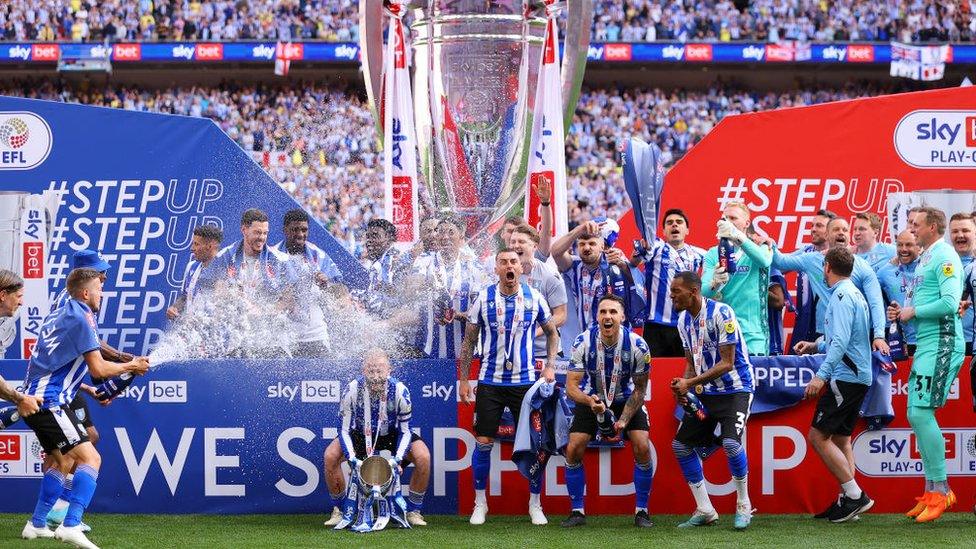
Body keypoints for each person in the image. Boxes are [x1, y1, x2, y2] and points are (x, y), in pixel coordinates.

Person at [20, 268, 150, 548]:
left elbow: (59, 363)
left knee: (63, 461)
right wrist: (131, 366)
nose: (103, 292)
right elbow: (99, 369)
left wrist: (88, 388)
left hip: (41, 397)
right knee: (91, 459)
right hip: (50, 401)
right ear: (85, 292)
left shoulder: (61, 311)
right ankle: (70, 524)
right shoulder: (82, 316)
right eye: (99, 287)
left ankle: (37, 523)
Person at [458, 248, 560, 526]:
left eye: (513, 261)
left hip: (525, 384)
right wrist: (465, 379)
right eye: (503, 262)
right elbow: (468, 342)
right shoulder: (484, 298)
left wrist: (550, 365)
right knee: (483, 443)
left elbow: (553, 333)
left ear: (521, 267)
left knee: (536, 445)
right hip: (490, 382)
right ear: (497, 268)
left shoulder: (534, 297)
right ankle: (480, 504)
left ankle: (535, 504)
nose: (509, 266)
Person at [889, 207, 965, 523]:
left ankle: (942, 490)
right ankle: (931, 489)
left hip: (943, 342)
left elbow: (949, 303)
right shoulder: (926, 256)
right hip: (928, 343)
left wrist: (913, 312)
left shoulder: (945, 255)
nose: (911, 229)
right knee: (915, 414)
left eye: (915, 224)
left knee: (921, 413)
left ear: (932, 227)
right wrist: (905, 311)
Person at [669, 270, 755, 530]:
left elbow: (727, 363)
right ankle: (705, 509)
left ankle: (743, 504)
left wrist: (690, 384)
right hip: (707, 393)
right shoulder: (683, 321)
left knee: (730, 442)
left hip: (736, 389)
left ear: (693, 292)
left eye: (676, 292)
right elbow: (691, 363)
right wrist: (684, 390)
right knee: (681, 446)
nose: (671, 296)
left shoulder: (722, 313)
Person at [796, 247, 874, 523]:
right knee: (841, 439)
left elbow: (841, 341)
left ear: (827, 267)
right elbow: (846, 336)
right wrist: (816, 344)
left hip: (847, 376)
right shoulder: (853, 293)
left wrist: (821, 375)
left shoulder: (841, 295)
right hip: (857, 375)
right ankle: (848, 499)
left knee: (817, 436)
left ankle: (854, 495)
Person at [562, 294, 653, 528]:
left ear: (622, 317)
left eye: (613, 312)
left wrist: (622, 421)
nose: (608, 316)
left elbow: (640, 390)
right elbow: (571, 387)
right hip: (592, 398)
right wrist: (590, 402)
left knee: (642, 445)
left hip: (627, 399)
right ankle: (577, 511)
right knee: (573, 448)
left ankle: (642, 511)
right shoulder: (583, 341)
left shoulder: (638, 345)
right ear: (597, 317)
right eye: (603, 312)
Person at [322, 348, 430, 527]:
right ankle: (341, 510)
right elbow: (344, 431)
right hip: (359, 433)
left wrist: (398, 459)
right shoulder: (351, 390)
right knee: (330, 456)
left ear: (389, 370)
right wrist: (352, 458)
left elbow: (405, 431)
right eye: (371, 370)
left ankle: (413, 511)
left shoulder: (400, 391)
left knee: (423, 457)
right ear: (363, 371)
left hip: (392, 434)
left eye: (380, 370)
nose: (376, 375)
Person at [772, 217, 889, 355]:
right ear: (827, 235)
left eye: (845, 230)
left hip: (857, 335)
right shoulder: (812, 260)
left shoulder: (862, 266)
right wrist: (769, 244)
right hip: (828, 333)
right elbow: (780, 262)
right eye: (836, 229)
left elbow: (875, 302)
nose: (841, 232)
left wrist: (879, 335)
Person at [630, 208, 706, 357]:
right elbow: (634, 262)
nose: (674, 225)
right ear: (664, 231)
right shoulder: (657, 246)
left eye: (679, 222)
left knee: (686, 371)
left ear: (687, 230)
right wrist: (643, 247)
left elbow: (722, 260)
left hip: (687, 324)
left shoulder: (699, 254)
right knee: (653, 373)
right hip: (656, 325)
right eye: (669, 223)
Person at [411, 215, 488, 358]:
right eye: (440, 232)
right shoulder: (425, 260)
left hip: (468, 353)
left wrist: (457, 315)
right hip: (431, 350)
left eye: (451, 232)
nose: (445, 237)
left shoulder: (474, 267)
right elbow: (412, 286)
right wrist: (428, 284)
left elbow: (482, 310)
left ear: (461, 235)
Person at [701, 202, 772, 356]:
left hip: (753, 334)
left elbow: (764, 261)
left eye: (733, 218)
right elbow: (704, 292)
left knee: (755, 379)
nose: (727, 222)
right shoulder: (713, 253)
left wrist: (738, 236)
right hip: (723, 332)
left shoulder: (761, 244)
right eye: (724, 218)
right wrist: (715, 283)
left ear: (747, 223)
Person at [551, 218, 644, 334]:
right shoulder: (574, 266)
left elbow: (638, 284)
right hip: (587, 340)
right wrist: (579, 229)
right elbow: (555, 252)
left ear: (602, 246)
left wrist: (624, 266)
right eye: (582, 244)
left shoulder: (615, 261)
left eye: (592, 243)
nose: (586, 248)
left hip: (619, 339)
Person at [274, 209, 341, 357]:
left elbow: (339, 290)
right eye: (295, 230)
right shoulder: (272, 256)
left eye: (304, 230)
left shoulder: (318, 255)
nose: (300, 234)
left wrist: (326, 284)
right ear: (285, 230)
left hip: (314, 335)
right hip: (284, 337)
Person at [509, 225, 567, 367]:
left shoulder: (549, 275)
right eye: (513, 242)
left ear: (534, 246)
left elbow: (561, 316)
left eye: (521, 242)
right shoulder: (502, 273)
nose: (516, 246)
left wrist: (533, 333)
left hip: (544, 353)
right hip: (511, 351)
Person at [790, 209, 836, 351]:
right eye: (812, 225)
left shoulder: (841, 255)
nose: (813, 229)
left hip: (828, 326)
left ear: (830, 231)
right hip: (803, 325)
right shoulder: (806, 253)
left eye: (819, 226)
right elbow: (778, 264)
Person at [0, 270, 43, 417]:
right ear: (3, 295)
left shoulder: (7, 321)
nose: (21, 302)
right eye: (18, 296)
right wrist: (20, 399)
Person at [166, 224, 223, 320]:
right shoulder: (191, 267)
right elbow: (185, 296)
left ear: (209, 246)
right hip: (194, 331)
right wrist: (175, 308)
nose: (192, 248)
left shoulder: (226, 270)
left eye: (196, 244)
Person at [879, 230, 921, 355]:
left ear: (919, 246)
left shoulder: (928, 267)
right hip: (901, 343)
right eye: (899, 245)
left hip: (928, 340)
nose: (903, 249)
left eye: (909, 245)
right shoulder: (885, 272)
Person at [362, 218, 409, 317]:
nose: (369, 241)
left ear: (389, 239)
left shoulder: (394, 260)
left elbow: (400, 298)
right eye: (368, 237)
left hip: (392, 322)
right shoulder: (378, 262)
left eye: (375, 236)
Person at [948, 213, 975, 354]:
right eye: (955, 231)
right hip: (947, 342)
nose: (960, 235)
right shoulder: (941, 261)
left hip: (973, 341)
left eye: (965, 230)